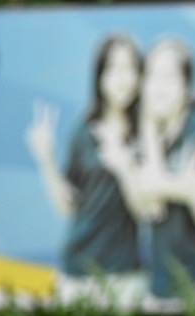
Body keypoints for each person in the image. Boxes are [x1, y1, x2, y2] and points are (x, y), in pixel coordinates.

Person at [26, 35, 145, 282]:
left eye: (130, 69)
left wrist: (124, 165)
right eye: (113, 69)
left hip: (126, 271)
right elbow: (69, 207)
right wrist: (46, 159)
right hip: (79, 267)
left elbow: (146, 210)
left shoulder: (147, 132)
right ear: (100, 78)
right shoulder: (84, 131)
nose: (123, 79)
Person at [132, 38, 195, 300]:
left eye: (169, 77)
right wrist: (148, 128)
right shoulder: (152, 135)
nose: (158, 86)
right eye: (151, 76)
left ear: (187, 88)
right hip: (162, 281)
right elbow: (150, 207)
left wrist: (162, 185)